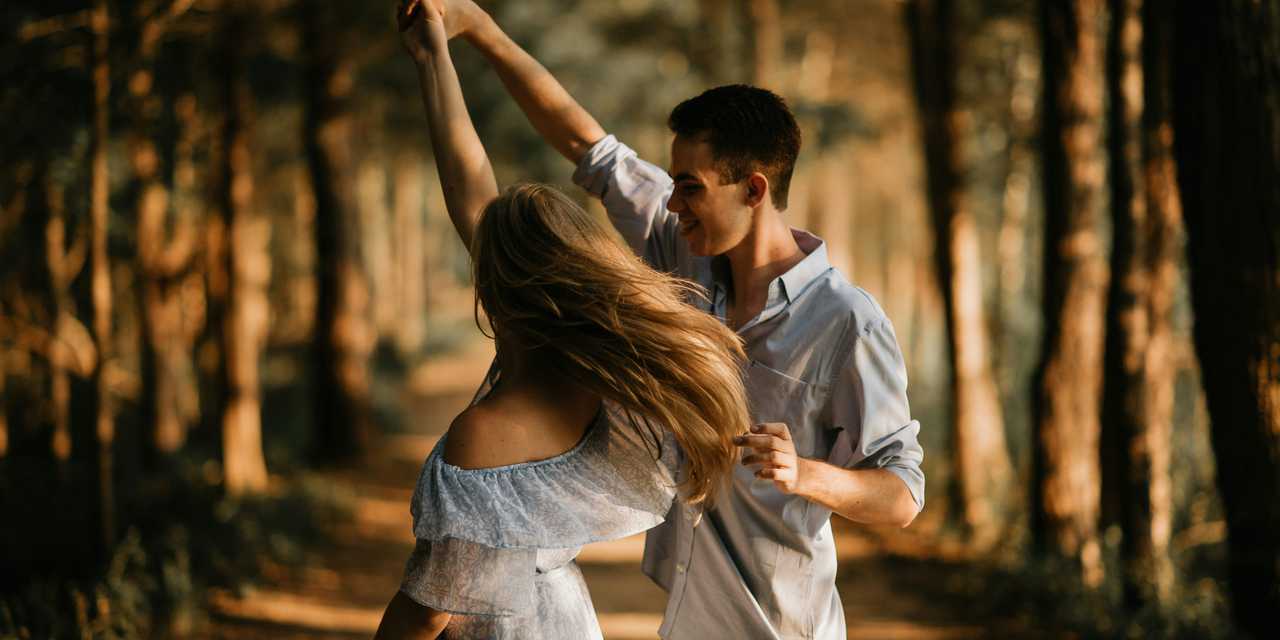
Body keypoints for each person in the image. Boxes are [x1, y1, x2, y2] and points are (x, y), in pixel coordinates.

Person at [429, 1, 928, 638]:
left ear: (754, 189)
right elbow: (589, 147)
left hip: (778, 627)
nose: (672, 202)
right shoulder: (680, 259)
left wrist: (806, 474)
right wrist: (479, 30)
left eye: (689, 186)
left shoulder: (846, 323)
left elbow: (902, 496)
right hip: (684, 617)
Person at [374, 2, 752, 638]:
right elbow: (473, 193)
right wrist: (434, 58)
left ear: (500, 291)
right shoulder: (603, 391)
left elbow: (433, 606)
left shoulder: (486, 434)